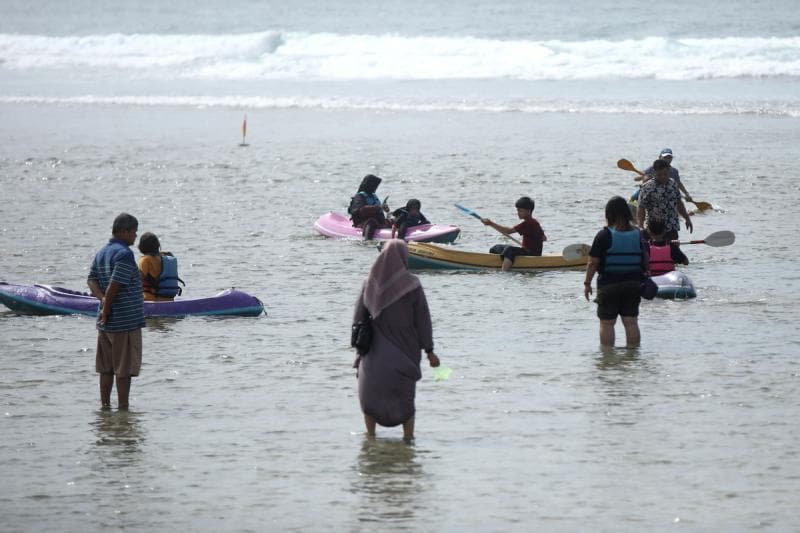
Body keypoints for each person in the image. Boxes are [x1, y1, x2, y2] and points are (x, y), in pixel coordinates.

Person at [352, 239, 441, 441]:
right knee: (404, 397)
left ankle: (370, 438)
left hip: (374, 353)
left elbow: (358, 320)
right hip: (405, 352)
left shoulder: (369, 284)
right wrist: (429, 351)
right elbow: (423, 321)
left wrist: (358, 353)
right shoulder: (413, 285)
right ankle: (408, 439)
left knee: (370, 397)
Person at [87, 213, 145, 410]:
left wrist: (102, 302)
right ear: (123, 231)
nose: (135, 237)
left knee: (106, 369)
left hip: (105, 322)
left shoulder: (102, 252)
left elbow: (91, 280)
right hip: (124, 322)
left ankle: (104, 407)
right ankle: (123, 408)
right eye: (133, 232)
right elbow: (116, 283)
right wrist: (108, 305)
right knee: (123, 369)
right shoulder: (124, 254)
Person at [584, 196, 650, 348]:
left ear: (609, 214)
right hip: (633, 284)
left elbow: (593, 262)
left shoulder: (604, 235)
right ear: (628, 213)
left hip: (609, 284)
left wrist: (587, 283)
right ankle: (633, 355)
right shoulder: (638, 234)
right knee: (631, 322)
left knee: (607, 324)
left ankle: (608, 357)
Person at [481, 196, 547, 271]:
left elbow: (508, 231)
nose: (518, 213)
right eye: (517, 210)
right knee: (496, 248)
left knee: (510, 250)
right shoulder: (535, 222)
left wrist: (490, 223)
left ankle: (504, 271)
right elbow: (544, 238)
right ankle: (498, 264)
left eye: (520, 211)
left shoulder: (528, 223)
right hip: (526, 250)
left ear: (528, 211)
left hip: (532, 254)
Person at [637, 158, 693, 241]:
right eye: (659, 175)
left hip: (672, 226)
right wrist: (641, 226)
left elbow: (679, 203)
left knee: (673, 252)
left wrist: (687, 218)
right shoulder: (647, 187)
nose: (663, 177)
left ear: (669, 171)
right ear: (654, 172)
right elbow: (641, 207)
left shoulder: (673, 184)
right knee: (655, 252)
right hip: (654, 229)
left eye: (665, 174)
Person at [137, 232, 184, 301]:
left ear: (141, 247)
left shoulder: (145, 260)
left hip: (151, 299)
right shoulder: (166, 257)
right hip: (169, 299)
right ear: (157, 245)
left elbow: (137, 281)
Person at [348, 174, 390, 240]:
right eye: (374, 186)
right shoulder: (359, 197)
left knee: (393, 220)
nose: (376, 188)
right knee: (371, 223)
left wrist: (384, 208)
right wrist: (377, 207)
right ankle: (367, 240)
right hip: (363, 222)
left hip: (378, 221)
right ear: (369, 185)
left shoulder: (373, 196)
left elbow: (379, 208)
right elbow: (360, 210)